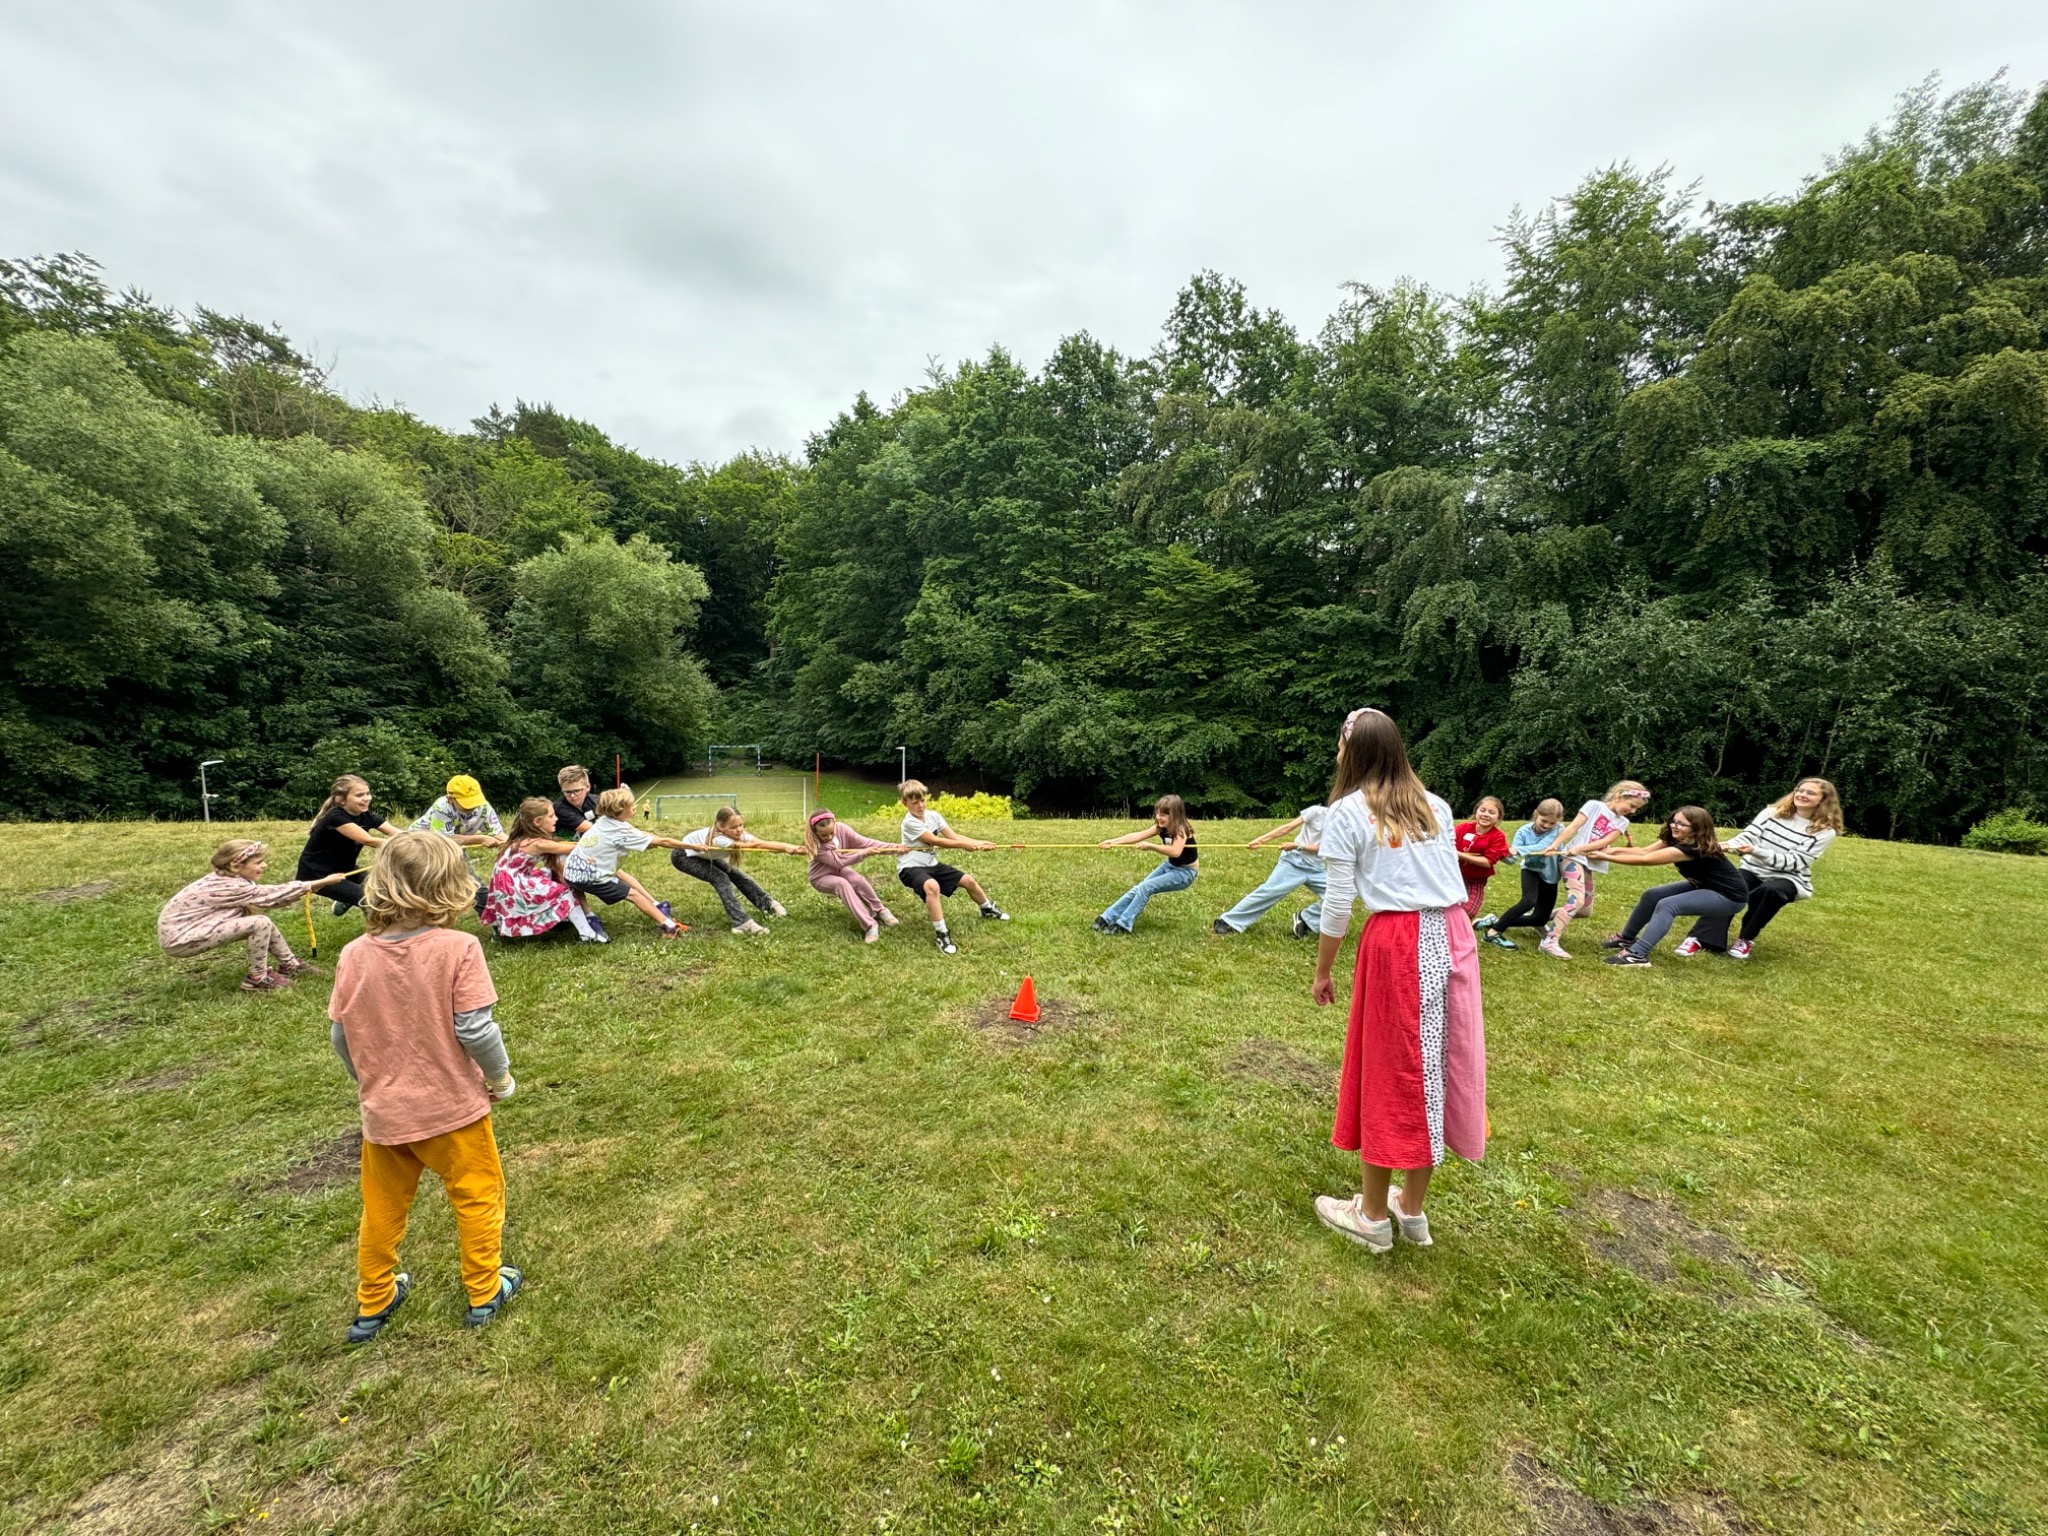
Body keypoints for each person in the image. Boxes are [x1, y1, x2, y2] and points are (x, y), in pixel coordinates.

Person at [327, 831, 522, 1343]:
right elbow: (476, 1029)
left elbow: (340, 1034)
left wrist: (370, 1081)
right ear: (450, 886)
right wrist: (499, 1078)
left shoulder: (352, 954)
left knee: (383, 1208)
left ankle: (374, 1299)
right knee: (478, 1196)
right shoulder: (460, 947)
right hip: (453, 1108)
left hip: (383, 1114)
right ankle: (484, 1290)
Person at [1310, 708, 1486, 1255]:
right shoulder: (1434, 804)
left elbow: (1338, 902)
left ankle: (1371, 1217)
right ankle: (1410, 1211)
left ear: (1353, 749)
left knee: (1393, 1070)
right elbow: (1449, 880)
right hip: (1455, 935)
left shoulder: (1346, 812)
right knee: (1436, 1067)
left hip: (1400, 943)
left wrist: (1322, 969)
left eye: (1341, 742)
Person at [1679, 778, 1843, 960]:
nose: (1802, 795)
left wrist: (1756, 851)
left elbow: (1795, 862)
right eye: (1800, 790)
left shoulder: (1825, 832)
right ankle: (1701, 938)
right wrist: (1724, 845)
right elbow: (1749, 836)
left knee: (1770, 891)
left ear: (1824, 800)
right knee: (1727, 888)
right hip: (1752, 869)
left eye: (1810, 793)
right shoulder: (1772, 813)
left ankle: (1746, 938)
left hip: (1789, 877)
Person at [158, 839, 352, 991]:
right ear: (236, 866)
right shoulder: (230, 886)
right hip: (180, 940)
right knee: (259, 923)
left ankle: (289, 964)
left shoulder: (228, 879)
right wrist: (320, 882)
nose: (264, 865)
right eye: (258, 862)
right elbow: (271, 896)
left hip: (190, 931)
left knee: (263, 923)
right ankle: (257, 979)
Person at [1596, 806, 1749, 967]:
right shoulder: (1675, 838)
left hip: (1729, 897)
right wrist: (1610, 851)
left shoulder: (1693, 848)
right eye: (1674, 821)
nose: (1675, 826)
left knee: (1668, 905)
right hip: (1704, 885)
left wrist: (1605, 856)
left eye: (1681, 824)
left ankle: (1637, 955)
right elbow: (1643, 851)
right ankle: (1626, 939)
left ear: (1697, 828)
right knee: (1652, 895)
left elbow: (1647, 859)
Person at [1537, 780, 1651, 960]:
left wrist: (1582, 849)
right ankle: (1549, 941)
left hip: (1586, 861)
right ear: (1619, 796)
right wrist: (1554, 845)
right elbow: (1573, 827)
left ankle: (1538, 918)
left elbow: (1605, 842)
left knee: (1584, 910)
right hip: (1571, 859)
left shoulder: (1623, 822)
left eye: (1636, 808)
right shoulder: (1594, 806)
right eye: (1631, 806)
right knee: (1576, 900)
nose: (1633, 811)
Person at [896, 780, 1009, 955]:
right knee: (932, 887)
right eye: (914, 802)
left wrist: (980, 843)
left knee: (969, 881)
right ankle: (942, 934)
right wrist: (964, 846)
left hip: (931, 865)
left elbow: (953, 836)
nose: (920, 806)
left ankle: (987, 909)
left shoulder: (934, 816)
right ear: (905, 803)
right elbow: (934, 841)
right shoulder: (909, 822)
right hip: (910, 867)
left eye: (922, 800)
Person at [561, 785, 688, 938]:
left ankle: (590, 918)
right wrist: (695, 846)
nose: (635, 806)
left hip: (570, 873)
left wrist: (648, 839)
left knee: (616, 873)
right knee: (633, 894)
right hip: (591, 877)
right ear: (619, 810)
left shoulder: (604, 820)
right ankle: (668, 926)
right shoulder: (617, 829)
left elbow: (636, 834)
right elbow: (664, 841)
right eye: (631, 805)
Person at [479, 799, 603, 943]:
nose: (556, 818)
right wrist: (599, 839)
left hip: (505, 881)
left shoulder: (524, 837)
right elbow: (573, 847)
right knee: (564, 892)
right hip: (513, 885)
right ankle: (587, 934)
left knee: (551, 874)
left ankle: (560, 919)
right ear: (537, 822)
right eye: (551, 816)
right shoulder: (537, 843)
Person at [671, 805, 799, 936]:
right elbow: (751, 845)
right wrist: (785, 847)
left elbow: (761, 843)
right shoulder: (718, 839)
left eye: (741, 825)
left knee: (737, 875)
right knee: (720, 878)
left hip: (704, 855)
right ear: (721, 827)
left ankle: (768, 905)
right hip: (683, 856)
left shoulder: (735, 833)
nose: (739, 830)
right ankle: (741, 923)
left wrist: (792, 848)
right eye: (734, 827)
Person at [1212, 802, 1327, 938]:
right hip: (1294, 862)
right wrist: (1261, 840)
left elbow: (1327, 848)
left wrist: (1297, 846)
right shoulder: (1316, 812)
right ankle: (1227, 921)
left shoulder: (1346, 825)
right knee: (1270, 891)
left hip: (1317, 869)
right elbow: (1287, 828)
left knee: (1341, 897)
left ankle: (1306, 920)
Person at [296, 775, 401, 915]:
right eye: (359, 795)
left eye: (368, 793)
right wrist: (403, 845)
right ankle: (381, 934)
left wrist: (421, 840)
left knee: (385, 889)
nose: (366, 798)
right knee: (372, 900)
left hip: (346, 870)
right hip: (318, 876)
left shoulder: (366, 816)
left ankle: (347, 897)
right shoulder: (335, 816)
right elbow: (368, 840)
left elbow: (399, 834)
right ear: (341, 800)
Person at [1094, 795, 1199, 934]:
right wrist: (1113, 842)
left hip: (1185, 873)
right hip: (1169, 865)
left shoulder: (1181, 829)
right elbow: (1136, 836)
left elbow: (1175, 851)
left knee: (1146, 887)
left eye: (1164, 815)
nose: (1159, 817)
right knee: (1138, 888)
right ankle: (1106, 918)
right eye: (1157, 813)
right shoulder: (1160, 827)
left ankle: (1124, 925)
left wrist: (1151, 846)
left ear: (1175, 815)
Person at [803, 808, 908, 944]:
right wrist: (864, 853)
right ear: (815, 831)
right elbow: (838, 862)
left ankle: (879, 910)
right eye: (824, 836)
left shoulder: (842, 829)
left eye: (831, 833)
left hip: (839, 870)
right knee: (843, 884)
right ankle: (869, 925)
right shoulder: (816, 846)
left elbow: (866, 843)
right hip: (821, 877)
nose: (829, 837)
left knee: (857, 880)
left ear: (835, 823)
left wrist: (894, 848)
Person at [1474, 799, 1566, 951]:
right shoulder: (1523, 832)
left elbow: (1545, 847)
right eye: (1544, 821)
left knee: (1540, 918)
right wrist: (1501, 855)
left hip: (1550, 875)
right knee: (1529, 900)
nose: (1547, 826)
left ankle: (1495, 921)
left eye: (1551, 823)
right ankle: (1493, 933)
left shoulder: (1558, 829)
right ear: (1536, 814)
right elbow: (1511, 859)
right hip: (1530, 870)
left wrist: (1518, 850)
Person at [410, 775, 507, 849]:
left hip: (454, 846)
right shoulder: (442, 807)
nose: (472, 806)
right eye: (466, 802)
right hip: (421, 843)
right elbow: (445, 840)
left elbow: (497, 833)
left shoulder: (483, 806)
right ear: (450, 798)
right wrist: (482, 838)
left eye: (474, 800)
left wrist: (515, 842)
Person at [1453, 797, 1510, 922]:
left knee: (1468, 912)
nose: (1485, 815)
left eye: (1491, 812)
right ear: (1476, 811)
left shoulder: (1498, 836)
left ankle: (1462, 932)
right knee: (1445, 910)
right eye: (1482, 810)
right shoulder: (1463, 828)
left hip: (1476, 881)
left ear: (1498, 817)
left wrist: (1460, 855)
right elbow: (1446, 844)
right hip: (1454, 878)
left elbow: (1488, 862)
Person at [553, 766, 604, 839]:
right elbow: (588, 828)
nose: (572, 795)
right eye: (567, 792)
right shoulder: (559, 808)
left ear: (588, 787)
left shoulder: (598, 801)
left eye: (577, 791)